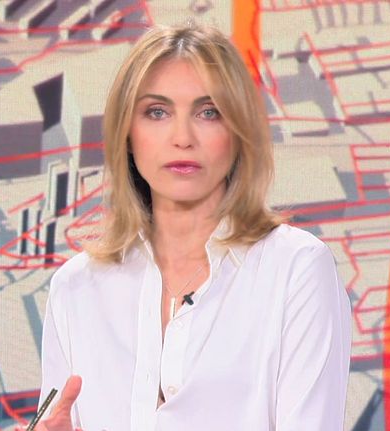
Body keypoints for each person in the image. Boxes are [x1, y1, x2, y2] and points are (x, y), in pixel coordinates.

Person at [35, 22, 351, 431]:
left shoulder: (296, 269)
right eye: (157, 112)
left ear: (238, 132)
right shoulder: (76, 288)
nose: (182, 137)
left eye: (208, 112)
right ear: (127, 134)